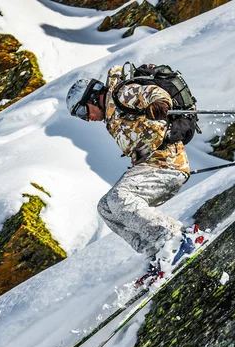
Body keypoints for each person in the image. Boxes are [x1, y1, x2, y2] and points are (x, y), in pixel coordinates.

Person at [66, 64, 194, 274]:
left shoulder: (121, 95)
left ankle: (175, 239)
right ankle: (155, 251)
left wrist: (159, 104)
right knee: (105, 208)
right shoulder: (112, 117)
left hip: (167, 163)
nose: (85, 118)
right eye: (79, 116)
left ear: (92, 98)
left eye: (82, 110)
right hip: (153, 165)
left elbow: (154, 93)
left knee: (120, 198)